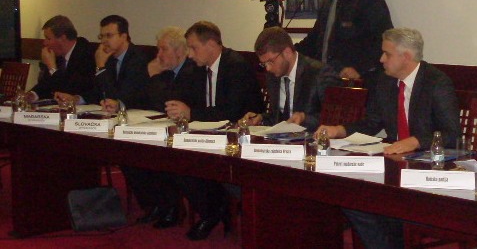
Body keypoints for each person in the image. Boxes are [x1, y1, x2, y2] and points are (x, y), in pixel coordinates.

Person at [316, 28, 460, 249]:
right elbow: (372, 123)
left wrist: (415, 141)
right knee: (351, 200)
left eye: (387, 54)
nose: (381, 59)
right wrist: (339, 130)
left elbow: (451, 133)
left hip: (427, 172)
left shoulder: (437, 83)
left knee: (388, 211)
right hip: (394, 167)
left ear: (406, 57)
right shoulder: (385, 82)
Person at [164, 21, 264, 241]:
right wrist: (179, 109)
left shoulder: (236, 66)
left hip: (239, 137)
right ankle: (212, 211)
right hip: (210, 134)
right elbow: (182, 97)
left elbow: (232, 112)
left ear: (211, 44)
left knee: (194, 162)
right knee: (175, 159)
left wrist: (191, 113)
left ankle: (214, 212)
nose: (189, 54)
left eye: (193, 48)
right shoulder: (198, 68)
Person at [104, 26, 201, 228]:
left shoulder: (192, 70)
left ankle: (172, 207)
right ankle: (155, 204)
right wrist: (120, 104)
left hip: (185, 132)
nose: (159, 55)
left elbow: (166, 103)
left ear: (179, 51)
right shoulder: (165, 70)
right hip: (161, 128)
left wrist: (154, 76)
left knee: (157, 156)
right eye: (158, 49)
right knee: (128, 155)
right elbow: (141, 96)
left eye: (163, 49)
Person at [239, 26, 339, 130]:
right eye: (264, 64)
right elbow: (278, 118)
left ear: (287, 52)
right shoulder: (273, 76)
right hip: (282, 138)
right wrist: (261, 119)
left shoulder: (319, 74)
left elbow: (334, 119)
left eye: (270, 61)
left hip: (311, 136)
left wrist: (304, 118)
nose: (268, 68)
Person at [66, 14, 150, 107]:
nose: (103, 41)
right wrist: (77, 99)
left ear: (123, 37)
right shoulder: (108, 56)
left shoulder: (137, 58)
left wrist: (100, 67)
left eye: (109, 35)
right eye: (102, 36)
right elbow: (98, 92)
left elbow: (116, 96)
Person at [27, 15, 96, 102]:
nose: (45, 43)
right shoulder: (57, 55)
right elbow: (46, 85)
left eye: (48, 38)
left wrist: (52, 67)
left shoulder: (86, 54)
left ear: (63, 38)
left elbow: (67, 90)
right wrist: (32, 94)